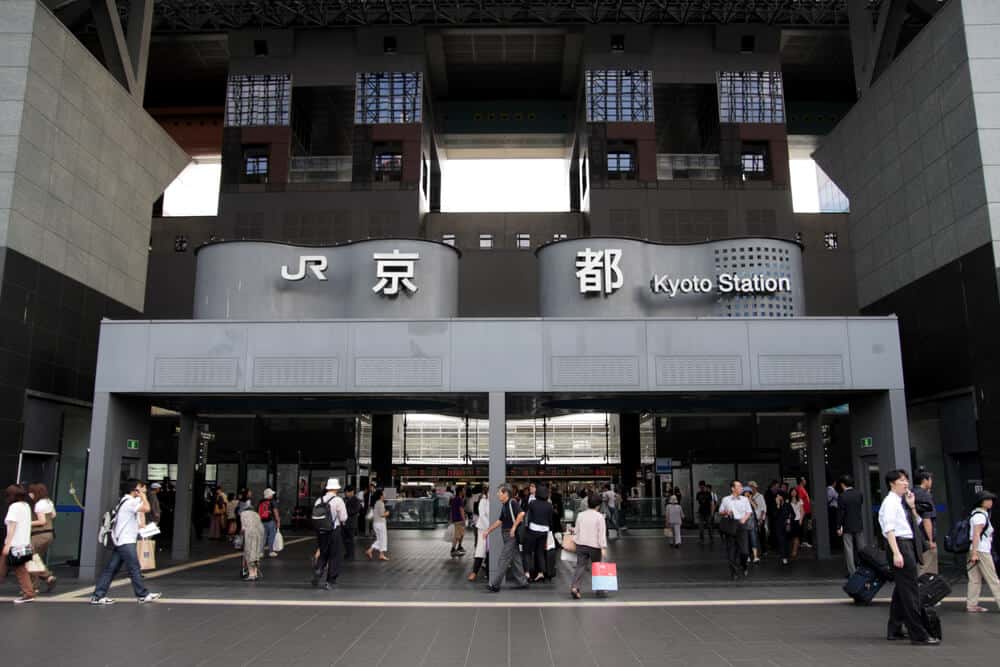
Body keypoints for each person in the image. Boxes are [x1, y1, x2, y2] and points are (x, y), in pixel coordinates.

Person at [879, 469, 937, 645]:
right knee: (910, 591)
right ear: (892, 483)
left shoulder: (901, 502)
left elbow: (916, 523)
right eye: (902, 480)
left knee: (902, 589)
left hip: (906, 545)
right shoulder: (890, 503)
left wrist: (912, 506)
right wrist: (896, 552)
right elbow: (889, 530)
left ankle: (894, 629)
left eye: (906, 480)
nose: (906, 483)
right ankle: (919, 634)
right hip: (900, 545)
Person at [90, 479, 161, 605]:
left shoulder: (124, 501)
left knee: (111, 569)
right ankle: (142, 594)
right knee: (134, 568)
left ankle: (98, 595)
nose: (142, 489)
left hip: (121, 540)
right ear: (134, 489)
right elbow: (147, 508)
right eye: (140, 487)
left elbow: (139, 519)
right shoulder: (129, 502)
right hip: (126, 541)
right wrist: (143, 496)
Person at [484, 485, 529, 593]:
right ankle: (523, 582)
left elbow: (522, 513)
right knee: (515, 559)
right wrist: (488, 531)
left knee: (503, 559)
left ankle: (495, 585)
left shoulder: (512, 502)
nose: (497, 494)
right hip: (507, 535)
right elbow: (500, 521)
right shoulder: (504, 505)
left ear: (505, 494)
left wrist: (513, 528)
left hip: (511, 536)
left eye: (499, 492)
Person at [966, 490, 1000, 612]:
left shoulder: (976, 514)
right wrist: (975, 553)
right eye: (988, 500)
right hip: (981, 551)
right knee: (993, 579)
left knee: (974, 579)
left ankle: (971, 605)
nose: (991, 502)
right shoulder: (980, 516)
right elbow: (976, 535)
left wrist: (973, 552)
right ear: (981, 502)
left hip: (974, 550)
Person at [1, 484, 36, 604]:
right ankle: (29, 593)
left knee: (15, 569)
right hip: (24, 542)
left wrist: (7, 544)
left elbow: (12, 526)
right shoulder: (26, 506)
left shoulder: (14, 507)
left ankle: (28, 594)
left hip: (14, 544)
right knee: (20, 570)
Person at [312, 478, 348, 590]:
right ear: (336, 489)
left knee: (323, 553)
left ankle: (319, 569)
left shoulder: (319, 500)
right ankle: (330, 581)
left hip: (321, 531)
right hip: (333, 530)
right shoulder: (338, 500)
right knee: (334, 555)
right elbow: (343, 517)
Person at [570, 493, 608, 599]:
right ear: (598, 505)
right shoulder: (599, 517)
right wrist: (603, 547)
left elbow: (576, 530)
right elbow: (601, 534)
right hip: (594, 546)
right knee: (597, 566)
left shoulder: (581, 515)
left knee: (580, 566)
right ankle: (600, 589)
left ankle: (575, 587)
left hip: (581, 545)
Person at [719, 480, 752, 580]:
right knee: (731, 551)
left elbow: (749, 512)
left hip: (742, 525)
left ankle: (744, 565)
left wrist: (744, 519)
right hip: (731, 525)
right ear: (733, 488)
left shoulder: (744, 499)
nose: (741, 488)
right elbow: (720, 512)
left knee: (745, 551)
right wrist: (726, 512)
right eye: (739, 486)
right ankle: (734, 572)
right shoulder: (726, 499)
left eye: (741, 486)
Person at [27, 482, 57, 592]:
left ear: (36, 492)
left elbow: (42, 521)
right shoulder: (49, 502)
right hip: (49, 534)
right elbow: (53, 515)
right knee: (35, 559)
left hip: (38, 535)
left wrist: (27, 522)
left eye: (31, 492)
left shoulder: (39, 504)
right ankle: (37, 584)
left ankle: (46, 578)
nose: (30, 494)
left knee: (30, 558)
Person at [836, 474, 865, 575]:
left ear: (843, 484)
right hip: (858, 524)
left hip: (847, 525)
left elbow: (841, 513)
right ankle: (864, 568)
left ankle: (852, 572)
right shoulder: (859, 494)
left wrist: (839, 526)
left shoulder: (842, 496)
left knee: (849, 549)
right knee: (861, 548)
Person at [524, 484, 554, 582]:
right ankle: (541, 573)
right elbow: (550, 520)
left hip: (532, 530)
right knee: (540, 552)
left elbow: (528, 518)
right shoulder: (549, 505)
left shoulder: (532, 503)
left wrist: (527, 527)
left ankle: (527, 574)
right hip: (544, 531)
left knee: (527, 552)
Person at [913, 470, 938, 576]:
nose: (931, 482)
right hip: (925, 537)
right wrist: (930, 540)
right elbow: (927, 519)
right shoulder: (924, 495)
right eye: (930, 479)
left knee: (920, 566)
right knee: (928, 569)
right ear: (924, 481)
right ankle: (924, 591)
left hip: (915, 536)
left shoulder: (912, 492)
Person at [468, 484, 490, 581]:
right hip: (483, 529)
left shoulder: (498, 502)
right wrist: (490, 527)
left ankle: (489, 573)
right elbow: (482, 515)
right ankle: (474, 572)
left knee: (491, 552)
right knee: (480, 551)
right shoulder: (483, 501)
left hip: (494, 529)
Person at [239, 504, 264, 580]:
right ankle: (255, 573)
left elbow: (243, 528)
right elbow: (261, 527)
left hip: (249, 535)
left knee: (249, 553)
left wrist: (240, 537)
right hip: (259, 534)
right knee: (256, 554)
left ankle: (251, 574)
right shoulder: (256, 514)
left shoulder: (243, 514)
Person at [364, 489, 390, 561]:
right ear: (381, 496)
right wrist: (387, 513)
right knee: (383, 539)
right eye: (384, 494)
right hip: (380, 523)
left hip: (375, 523)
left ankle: (379, 554)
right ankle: (373, 551)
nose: (385, 495)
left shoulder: (376, 503)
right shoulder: (380, 503)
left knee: (380, 539)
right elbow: (381, 514)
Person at [258, 488, 281, 557]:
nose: (272, 495)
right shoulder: (272, 501)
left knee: (263, 537)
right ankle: (271, 551)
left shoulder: (260, 501)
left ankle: (261, 552)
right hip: (270, 521)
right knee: (271, 536)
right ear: (269, 495)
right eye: (272, 494)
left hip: (262, 521)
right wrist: (278, 520)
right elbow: (275, 511)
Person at [773, 492, 794, 565]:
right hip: (778, 526)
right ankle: (783, 557)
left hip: (786, 526)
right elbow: (774, 515)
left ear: (782, 497)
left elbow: (793, 514)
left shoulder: (787, 505)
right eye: (777, 496)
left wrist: (789, 519)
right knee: (781, 541)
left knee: (786, 542)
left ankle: (786, 556)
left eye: (779, 496)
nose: (777, 497)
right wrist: (778, 505)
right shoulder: (775, 505)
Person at [749, 481, 766, 561]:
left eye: (752, 486)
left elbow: (763, 508)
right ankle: (752, 552)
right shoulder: (748, 496)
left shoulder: (760, 496)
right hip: (751, 519)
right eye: (750, 487)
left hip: (759, 518)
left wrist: (761, 519)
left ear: (755, 487)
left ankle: (763, 550)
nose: (751, 488)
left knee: (760, 535)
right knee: (752, 536)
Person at [343, 485, 361, 561]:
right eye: (345, 492)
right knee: (345, 539)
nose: (345, 494)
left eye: (347, 492)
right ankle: (347, 553)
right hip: (344, 523)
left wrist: (345, 511)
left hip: (351, 523)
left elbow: (355, 510)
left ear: (352, 492)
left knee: (350, 539)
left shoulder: (356, 500)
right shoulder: (345, 499)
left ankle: (351, 555)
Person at [450, 486, 467, 557]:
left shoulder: (454, 499)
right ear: (460, 492)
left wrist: (451, 519)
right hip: (459, 519)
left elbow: (451, 510)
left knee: (461, 534)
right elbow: (461, 510)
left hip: (455, 519)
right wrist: (464, 520)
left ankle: (459, 547)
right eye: (463, 490)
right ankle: (453, 550)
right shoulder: (459, 499)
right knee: (457, 536)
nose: (464, 491)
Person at [796, 477, 812, 548]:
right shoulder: (799, 488)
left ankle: (803, 541)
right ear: (801, 481)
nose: (806, 481)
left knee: (806, 527)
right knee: (804, 527)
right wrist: (802, 512)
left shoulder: (802, 488)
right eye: (804, 480)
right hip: (803, 512)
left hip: (806, 511)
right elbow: (799, 500)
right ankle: (803, 542)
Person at [789, 488, 804, 560]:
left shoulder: (800, 500)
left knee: (796, 536)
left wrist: (801, 520)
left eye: (795, 492)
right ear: (790, 493)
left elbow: (802, 511)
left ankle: (794, 551)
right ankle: (792, 550)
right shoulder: (788, 501)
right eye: (792, 492)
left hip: (797, 520)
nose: (793, 493)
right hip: (790, 521)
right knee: (790, 537)